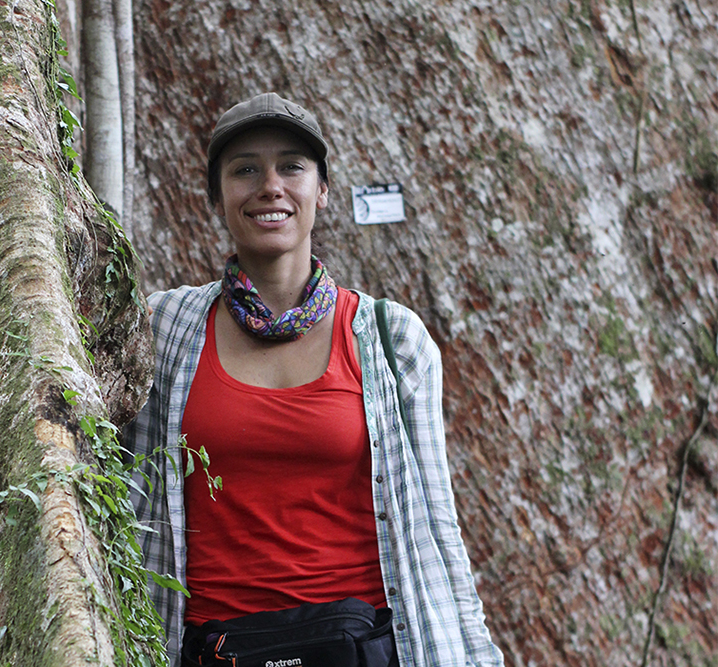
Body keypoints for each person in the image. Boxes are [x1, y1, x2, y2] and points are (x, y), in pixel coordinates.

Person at [125, 92, 503, 667]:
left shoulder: (389, 339)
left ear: (322, 190)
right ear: (217, 195)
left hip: (361, 648)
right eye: (245, 168)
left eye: (292, 167)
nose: (269, 185)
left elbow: (436, 526)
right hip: (214, 650)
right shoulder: (165, 330)